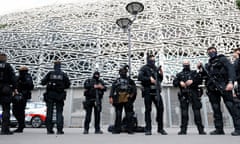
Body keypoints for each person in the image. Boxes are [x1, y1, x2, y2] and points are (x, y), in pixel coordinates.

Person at [198, 46, 240, 135]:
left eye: (213, 51)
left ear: (216, 51)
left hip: (224, 86)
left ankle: (238, 128)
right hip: (212, 89)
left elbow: (231, 69)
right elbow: (204, 76)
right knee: (216, 109)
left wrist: (230, 82)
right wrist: (201, 70)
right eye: (209, 51)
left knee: (231, 106)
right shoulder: (208, 64)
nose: (211, 52)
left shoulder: (223, 59)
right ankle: (219, 129)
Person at [173, 60, 206, 135]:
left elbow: (200, 80)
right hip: (184, 94)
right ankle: (183, 130)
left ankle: (201, 130)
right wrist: (179, 82)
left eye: (187, 64)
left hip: (194, 93)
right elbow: (174, 83)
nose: (186, 65)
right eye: (185, 64)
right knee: (184, 113)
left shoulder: (194, 73)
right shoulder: (179, 74)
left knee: (197, 112)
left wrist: (192, 81)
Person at [138, 55, 167, 135]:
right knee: (148, 110)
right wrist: (149, 79)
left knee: (160, 108)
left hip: (156, 91)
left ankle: (160, 128)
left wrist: (161, 73)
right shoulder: (144, 68)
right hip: (147, 90)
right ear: (148, 60)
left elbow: (159, 80)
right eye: (151, 60)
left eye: (154, 60)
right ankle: (148, 129)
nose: (153, 62)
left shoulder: (156, 68)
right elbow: (139, 77)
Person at [41, 60, 71, 134]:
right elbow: (68, 84)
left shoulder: (50, 73)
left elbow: (43, 82)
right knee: (59, 112)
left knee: (49, 112)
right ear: (60, 66)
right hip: (59, 95)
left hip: (50, 95)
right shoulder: (63, 74)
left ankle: (49, 129)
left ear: (54, 65)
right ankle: (59, 130)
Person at [109, 65, 137, 134]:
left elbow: (134, 89)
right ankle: (117, 129)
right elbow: (112, 89)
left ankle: (129, 129)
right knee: (118, 114)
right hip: (119, 98)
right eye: (122, 72)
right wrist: (111, 97)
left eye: (124, 72)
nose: (123, 73)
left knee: (129, 114)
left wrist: (131, 96)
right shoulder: (117, 81)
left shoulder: (130, 81)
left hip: (127, 98)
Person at [12, 66, 34, 133]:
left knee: (19, 111)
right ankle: (21, 125)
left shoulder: (27, 77)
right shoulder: (19, 77)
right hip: (18, 96)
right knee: (17, 111)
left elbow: (30, 85)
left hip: (23, 96)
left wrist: (21, 83)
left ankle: (21, 126)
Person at [0, 53, 17, 135]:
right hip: (5, 90)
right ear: (5, 58)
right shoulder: (8, 66)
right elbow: (13, 78)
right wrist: (15, 88)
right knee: (6, 109)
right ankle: (4, 129)